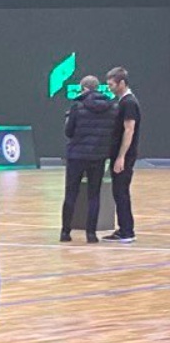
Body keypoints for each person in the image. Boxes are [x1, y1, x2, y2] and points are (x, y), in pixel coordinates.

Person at [61, 75, 115, 243]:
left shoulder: (77, 106)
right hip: (98, 157)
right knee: (94, 195)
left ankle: (65, 232)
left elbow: (69, 132)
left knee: (71, 193)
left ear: (83, 88)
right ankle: (91, 234)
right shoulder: (111, 107)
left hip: (76, 156)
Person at [103, 66, 141, 243]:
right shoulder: (122, 102)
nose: (109, 88)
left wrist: (121, 156)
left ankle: (127, 231)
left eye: (111, 84)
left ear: (122, 83)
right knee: (118, 192)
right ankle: (124, 228)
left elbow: (129, 130)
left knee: (121, 191)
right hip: (119, 154)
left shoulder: (129, 103)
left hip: (125, 156)